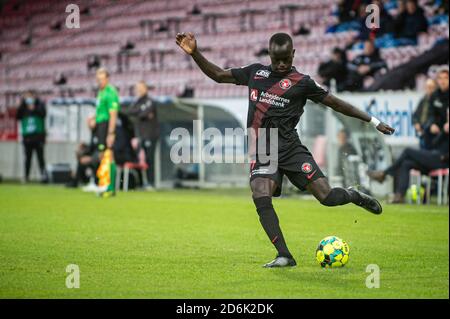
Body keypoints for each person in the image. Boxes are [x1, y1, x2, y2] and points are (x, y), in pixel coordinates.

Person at [176, 32, 395, 268]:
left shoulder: (303, 83)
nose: (281, 65)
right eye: (276, 59)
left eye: (285, 60)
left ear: (293, 54)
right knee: (260, 193)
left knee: (327, 197)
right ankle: (284, 255)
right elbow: (218, 75)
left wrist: (374, 121)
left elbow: (337, 104)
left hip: (291, 149)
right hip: (262, 148)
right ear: (270, 54)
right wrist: (195, 53)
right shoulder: (255, 72)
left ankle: (353, 194)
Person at [368, 110, 449, 203]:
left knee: (408, 151)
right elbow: (432, 145)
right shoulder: (444, 128)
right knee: (406, 164)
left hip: (442, 161)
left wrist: (444, 157)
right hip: (432, 158)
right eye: (447, 115)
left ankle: (384, 173)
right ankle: (399, 196)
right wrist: (443, 132)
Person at [123, 81, 160, 187]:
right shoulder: (137, 101)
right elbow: (130, 111)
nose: (138, 90)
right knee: (140, 159)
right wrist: (140, 113)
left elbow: (143, 112)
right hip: (140, 135)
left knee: (149, 159)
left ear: (145, 88)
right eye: (137, 88)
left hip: (150, 135)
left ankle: (151, 183)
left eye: (140, 87)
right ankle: (142, 182)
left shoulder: (150, 101)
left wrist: (138, 113)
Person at [94, 68, 120, 195]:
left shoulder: (110, 92)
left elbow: (113, 114)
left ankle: (110, 187)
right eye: (98, 79)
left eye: (102, 79)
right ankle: (104, 184)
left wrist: (111, 133)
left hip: (106, 126)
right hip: (100, 125)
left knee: (108, 155)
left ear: (107, 79)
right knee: (102, 155)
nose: (100, 81)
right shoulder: (101, 92)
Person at [15, 91, 48, 183]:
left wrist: (34, 108)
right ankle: (26, 176)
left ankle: (43, 176)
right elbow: (17, 117)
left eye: (30, 96)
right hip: (27, 137)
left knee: (40, 158)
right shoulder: (23, 107)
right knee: (27, 159)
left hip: (38, 137)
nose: (28, 98)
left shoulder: (40, 104)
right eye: (27, 96)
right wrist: (21, 104)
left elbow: (43, 114)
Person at [412, 78, 437, 150]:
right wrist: (416, 123)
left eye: (431, 87)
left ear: (435, 88)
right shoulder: (423, 100)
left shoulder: (436, 100)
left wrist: (425, 128)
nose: (429, 89)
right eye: (427, 87)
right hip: (422, 133)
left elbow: (435, 117)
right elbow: (415, 115)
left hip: (430, 134)